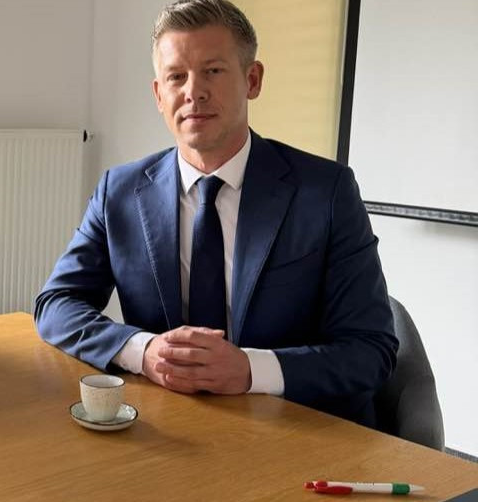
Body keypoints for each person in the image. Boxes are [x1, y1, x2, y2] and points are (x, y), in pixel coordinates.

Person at [34, 0, 397, 426]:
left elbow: (370, 350)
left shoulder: (326, 192)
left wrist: (249, 370)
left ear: (252, 80)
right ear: (159, 95)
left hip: (294, 427)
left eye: (213, 71)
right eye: (176, 76)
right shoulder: (120, 191)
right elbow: (56, 304)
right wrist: (143, 351)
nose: (194, 91)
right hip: (169, 423)